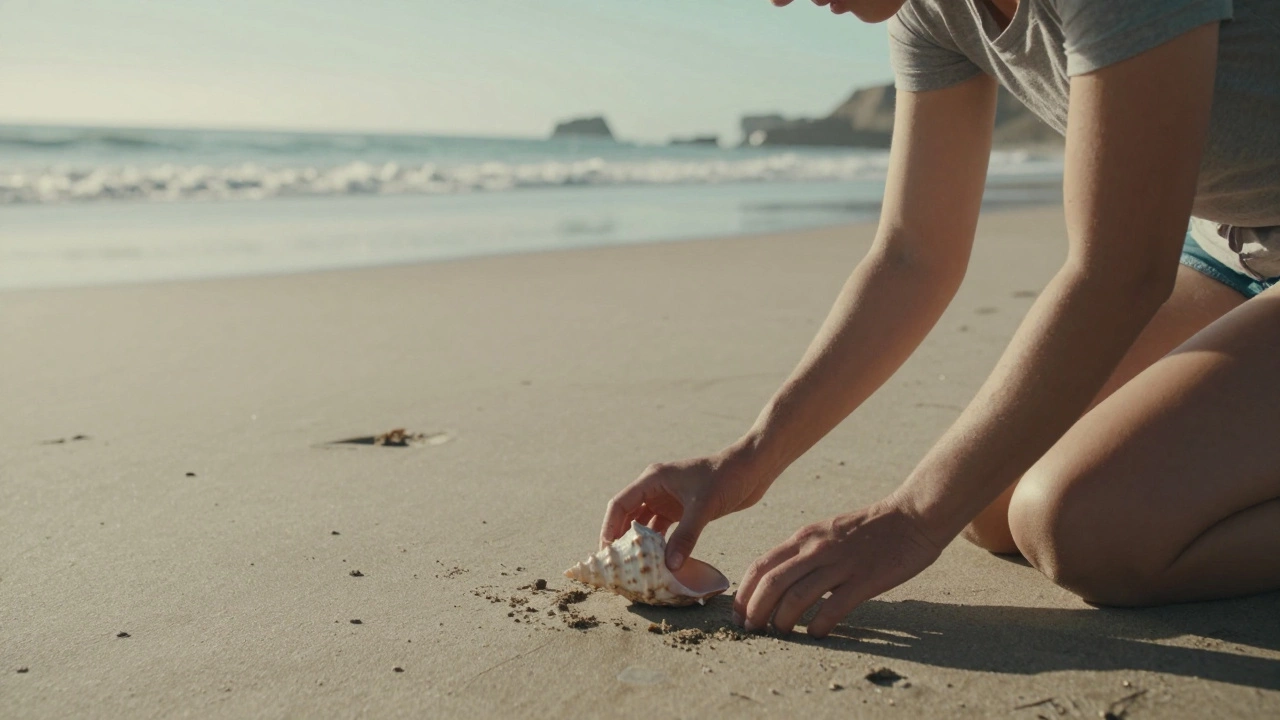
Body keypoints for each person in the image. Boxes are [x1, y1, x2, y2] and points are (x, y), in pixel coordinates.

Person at [599, 0, 1280, 639]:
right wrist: (750, 457)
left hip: (1183, 257)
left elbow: (1118, 271)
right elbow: (912, 256)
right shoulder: (932, 12)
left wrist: (910, 519)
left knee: (1090, 529)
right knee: (992, 507)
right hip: (1228, 246)